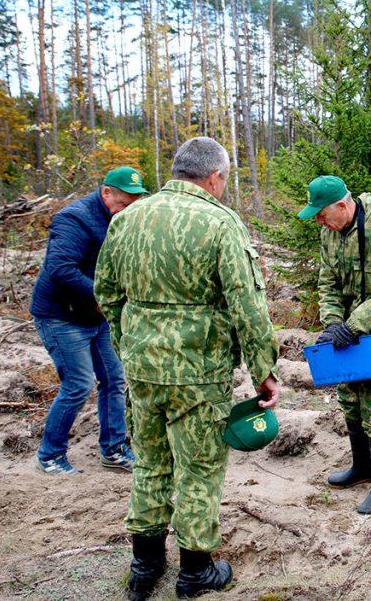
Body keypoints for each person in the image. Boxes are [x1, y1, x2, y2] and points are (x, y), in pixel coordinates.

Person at [95, 137, 281, 599]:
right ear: (215, 177)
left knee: (150, 465)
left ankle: (144, 568)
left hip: (142, 370)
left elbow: (107, 292)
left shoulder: (127, 219)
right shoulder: (221, 223)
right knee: (198, 470)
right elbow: (248, 307)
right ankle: (195, 571)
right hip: (198, 374)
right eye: (226, 179)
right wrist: (264, 370)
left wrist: (129, 345)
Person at [299, 175, 371, 515]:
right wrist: (334, 323)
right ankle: (361, 468)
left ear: (343, 205)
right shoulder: (329, 232)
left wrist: (353, 325)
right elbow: (328, 281)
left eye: (321, 214)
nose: (319, 221)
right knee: (350, 399)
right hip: (347, 329)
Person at [30, 166, 148, 476]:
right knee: (78, 384)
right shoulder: (75, 219)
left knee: (115, 378)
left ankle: (114, 449)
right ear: (106, 192)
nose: (128, 210)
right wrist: (100, 296)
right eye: (124, 204)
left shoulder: (122, 220)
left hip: (99, 316)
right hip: (61, 317)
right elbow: (60, 268)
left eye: (134, 204)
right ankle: (50, 456)